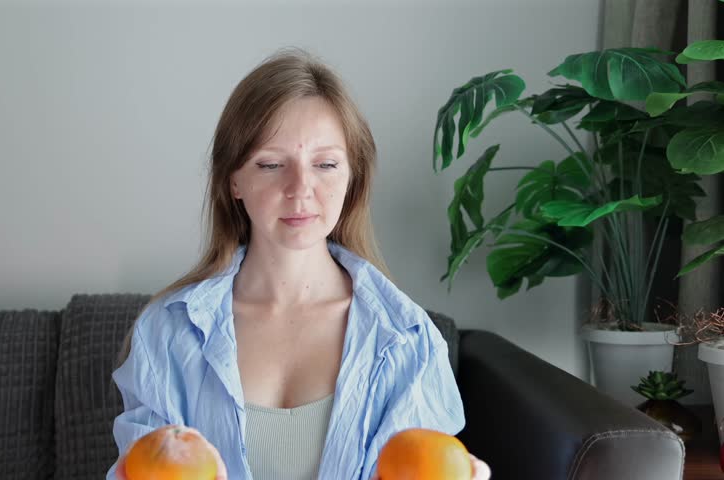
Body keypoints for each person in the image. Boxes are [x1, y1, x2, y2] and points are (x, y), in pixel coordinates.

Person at [106, 48, 491, 480]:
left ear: (352, 177)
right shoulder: (167, 333)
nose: (301, 188)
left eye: (325, 164)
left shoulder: (408, 341)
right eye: (271, 164)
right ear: (234, 180)